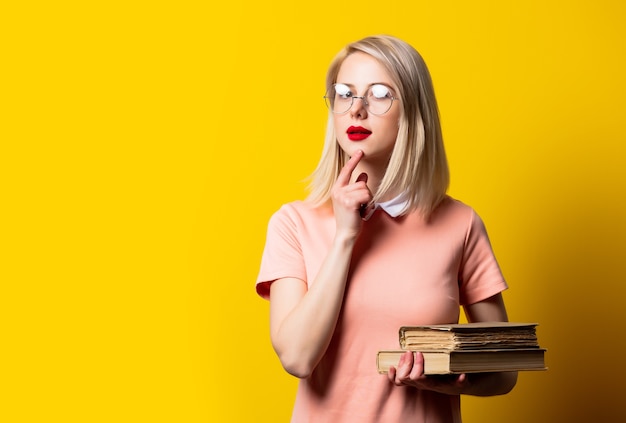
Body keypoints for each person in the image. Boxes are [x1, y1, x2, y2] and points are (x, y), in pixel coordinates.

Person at [255, 35, 517, 422]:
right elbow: (296, 357)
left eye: (379, 94)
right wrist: (346, 235)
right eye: (344, 93)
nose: (356, 110)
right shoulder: (293, 223)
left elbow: (505, 371)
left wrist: (447, 382)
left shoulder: (460, 224)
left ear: (413, 110)